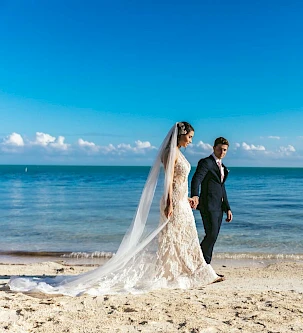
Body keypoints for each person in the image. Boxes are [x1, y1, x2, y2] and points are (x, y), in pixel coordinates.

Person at [8, 122, 221, 296]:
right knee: (174, 237)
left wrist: (188, 198)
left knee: (185, 237)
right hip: (173, 199)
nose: (191, 141)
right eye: (190, 137)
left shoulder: (179, 152)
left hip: (182, 199)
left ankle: (192, 270)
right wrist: (169, 201)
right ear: (181, 135)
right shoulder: (170, 153)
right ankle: (185, 272)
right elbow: (167, 180)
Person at [190, 137, 233, 271]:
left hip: (219, 208)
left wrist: (227, 208)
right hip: (207, 205)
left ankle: (201, 264)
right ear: (214, 148)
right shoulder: (206, 162)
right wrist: (195, 195)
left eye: (225, 150)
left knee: (212, 236)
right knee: (212, 235)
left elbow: (222, 188)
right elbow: (196, 179)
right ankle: (202, 264)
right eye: (220, 148)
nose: (222, 151)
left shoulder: (223, 167)